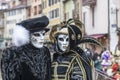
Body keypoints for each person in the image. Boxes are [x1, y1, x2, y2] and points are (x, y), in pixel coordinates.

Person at [1, 16, 51, 80]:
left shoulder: (45, 51)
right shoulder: (12, 53)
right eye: (37, 34)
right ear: (26, 35)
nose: (42, 38)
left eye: (43, 34)